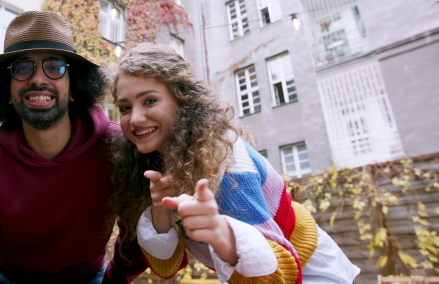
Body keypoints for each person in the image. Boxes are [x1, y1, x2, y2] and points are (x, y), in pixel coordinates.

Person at [110, 43, 360, 283]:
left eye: (150, 101)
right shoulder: (150, 163)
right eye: (125, 108)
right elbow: (166, 267)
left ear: (183, 101)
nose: (135, 118)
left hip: (310, 269)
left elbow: (278, 278)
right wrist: (160, 209)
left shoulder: (225, 162)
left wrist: (222, 234)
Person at [0, 11, 146, 283]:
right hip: (5, 278)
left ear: (73, 88)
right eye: (22, 68)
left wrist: (113, 280)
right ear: (6, 90)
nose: (37, 79)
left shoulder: (116, 148)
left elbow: (138, 230)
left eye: (54, 67)